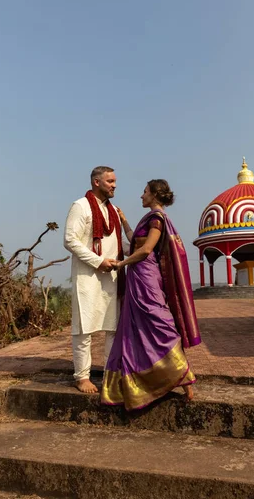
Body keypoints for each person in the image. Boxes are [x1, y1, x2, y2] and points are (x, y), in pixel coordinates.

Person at [101, 179, 201, 411]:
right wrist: (123, 220)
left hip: (146, 276)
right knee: (137, 329)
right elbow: (135, 241)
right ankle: (145, 380)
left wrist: (121, 264)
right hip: (139, 275)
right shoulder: (150, 219)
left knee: (160, 323)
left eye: (144, 192)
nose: (141, 196)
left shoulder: (157, 218)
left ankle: (183, 376)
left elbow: (145, 251)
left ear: (155, 194)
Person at [64, 166, 125, 394]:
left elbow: (119, 245)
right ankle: (81, 377)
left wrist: (147, 248)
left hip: (111, 278)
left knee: (112, 328)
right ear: (96, 182)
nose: (114, 185)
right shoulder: (81, 206)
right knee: (84, 329)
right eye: (110, 181)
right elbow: (70, 240)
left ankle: (109, 373)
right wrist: (98, 261)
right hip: (87, 276)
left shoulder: (113, 211)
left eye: (115, 181)